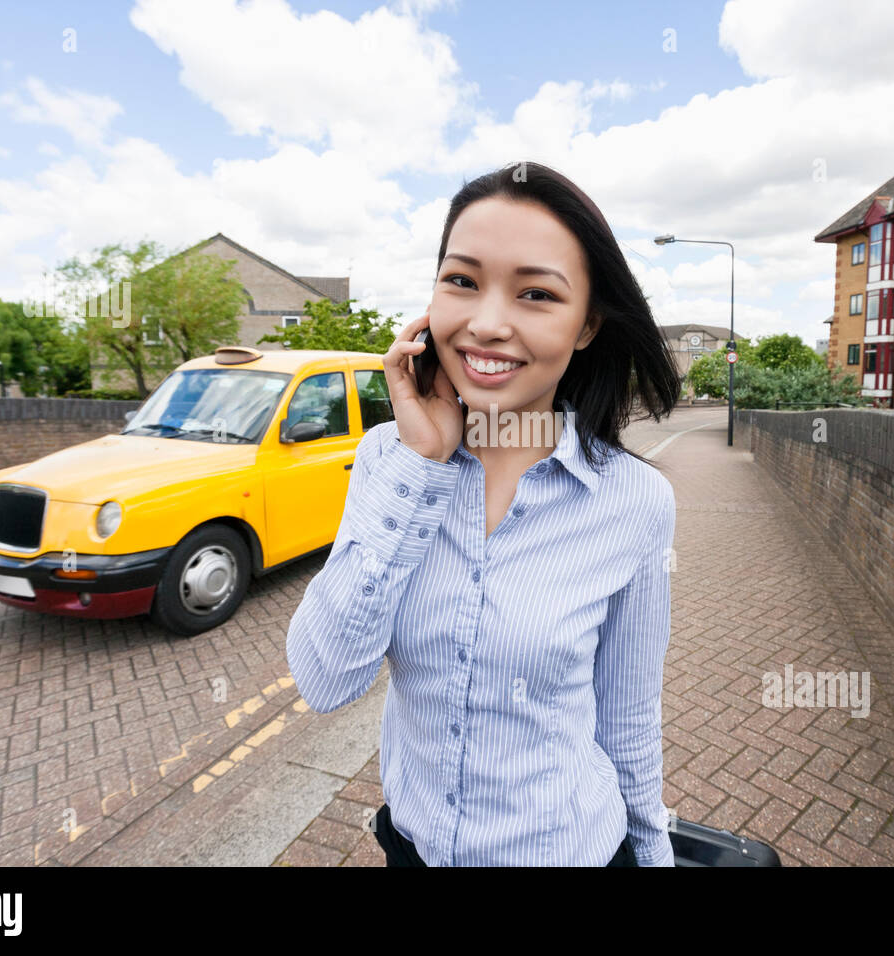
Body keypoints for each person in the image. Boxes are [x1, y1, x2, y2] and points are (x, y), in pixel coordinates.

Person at [286, 160, 680, 866]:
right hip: (413, 850)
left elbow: (628, 716)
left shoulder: (634, 502)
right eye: (462, 281)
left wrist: (652, 856)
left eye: (535, 293)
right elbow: (324, 679)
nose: (487, 324)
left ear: (588, 325)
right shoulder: (389, 461)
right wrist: (422, 464)